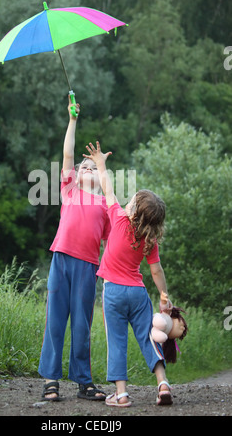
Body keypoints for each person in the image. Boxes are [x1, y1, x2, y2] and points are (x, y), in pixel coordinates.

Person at [83, 141, 174, 407]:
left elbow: (107, 189)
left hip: (113, 292)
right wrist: (164, 296)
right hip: (137, 293)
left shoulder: (119, 219)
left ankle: (121, 394)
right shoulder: (149, 240)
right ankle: (163, 383)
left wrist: (100, 163)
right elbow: (156, 270)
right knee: (148, 336)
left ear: (133, 209)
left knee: (118, 342)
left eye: (132, 200)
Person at [38, 98, 111, 402]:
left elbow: (111, 243)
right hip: (61, 260)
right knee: (55, 320)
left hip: (87, 268)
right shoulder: (70, 190)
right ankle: (51, 380)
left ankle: (84, 381)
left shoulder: (107, 205)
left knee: (82, 324)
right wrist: (72, 120)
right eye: (84, 166)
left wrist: (108, 274)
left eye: (93, 168)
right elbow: (68, 153)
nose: (86, 169)